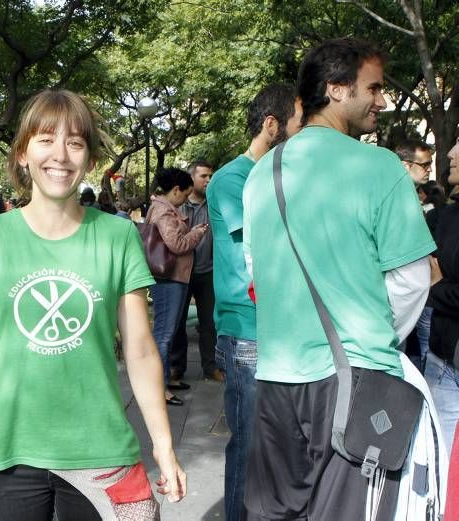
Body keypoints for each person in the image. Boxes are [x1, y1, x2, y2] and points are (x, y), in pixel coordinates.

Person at [0, 89, 186, 521]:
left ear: (90, 159)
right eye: (45, 139)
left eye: (75, 142)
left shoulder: (117, 237)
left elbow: (140, 348)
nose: (60, 155)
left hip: (101, 449)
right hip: (5, 450)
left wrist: (164, 446)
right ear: (22, 154)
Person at [243, 38, 434, 519]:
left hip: (276, 377)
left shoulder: (262, 173)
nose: (383, 100)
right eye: (373, 88)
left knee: (275, 513)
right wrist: (371, 334)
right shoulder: (381, 168)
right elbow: (413, 282)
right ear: (336, 88)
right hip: (358, 381)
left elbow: (256, 272)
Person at [206, 82, 301, 521]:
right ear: (272, 125)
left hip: (278, 326)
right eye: (298, 122)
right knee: (247, 441)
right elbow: (264, 246)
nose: (305, 131)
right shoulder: (233, 179)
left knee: (276, 441)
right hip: (247, 329)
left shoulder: (281, 174)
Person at [146, 167, 206, 406]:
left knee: (167, 333)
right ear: (176, 190)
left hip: (172, 278)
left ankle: (166, 378)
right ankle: (159, 388)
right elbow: (177, 244)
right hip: (168, 279)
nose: (185, 200)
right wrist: (196, 233)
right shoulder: (164, 212)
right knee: (164, 334)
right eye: (185, 195)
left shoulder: (164, 208)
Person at [425, 133, 459, 456]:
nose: (450, 152)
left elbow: (433, 281)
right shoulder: (443, 217)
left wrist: (437, 288)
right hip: (442, 362)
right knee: (441, 465)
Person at [172, 160, 220, 384]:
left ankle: (211, 367)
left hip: (208, 271)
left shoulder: (215, 204)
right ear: (192, 179)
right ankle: (176, 367)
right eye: (204, 176)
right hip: (182, 272)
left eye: (211, 175)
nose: (209, 180)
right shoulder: (178, 205)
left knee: (209, 322)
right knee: (178, 321)